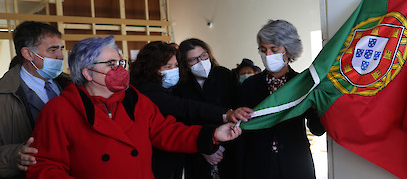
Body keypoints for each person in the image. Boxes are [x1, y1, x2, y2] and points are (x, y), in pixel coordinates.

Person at [25, 36, 242, 179]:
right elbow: (45, 167)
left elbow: (167, 131)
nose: (119, 70)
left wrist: (213, 134)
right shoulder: (59, 111)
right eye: (111, 65)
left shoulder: (134, 99)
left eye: (120, 63)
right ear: (87, 73)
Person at [129, 41, 252, 179]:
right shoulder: (149, 91)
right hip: (162, 159)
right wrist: (225, 115)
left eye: (175, 65)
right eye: (168, 66)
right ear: (151, 68)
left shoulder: (224, 75)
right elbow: (185, 108)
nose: (173, 70)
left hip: (204, 150)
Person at [238, 20, 325, 179]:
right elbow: (242, 130)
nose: (268, 55)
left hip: (295, 163)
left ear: (289, 51)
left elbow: (317, 129)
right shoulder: (250, 85)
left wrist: (318, 107)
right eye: (263, 50)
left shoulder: (302, 84)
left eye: (274, 49)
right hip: (258, 164)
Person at [0, 21, 68, 179]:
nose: (60, 56)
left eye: (61, 49)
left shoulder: (71, 86)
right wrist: (13, 155)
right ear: (28, 54)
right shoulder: (4, 95)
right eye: (53, 50)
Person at [175, 38, 241, 179]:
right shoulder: (181, 86)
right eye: (193, 59)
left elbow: (237, 108)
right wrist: (205, 148)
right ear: (185, 64)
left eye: (203, 55)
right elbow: (182, 121)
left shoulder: (225, 75)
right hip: (197, 152)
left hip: (230, 147)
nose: (201, 62)